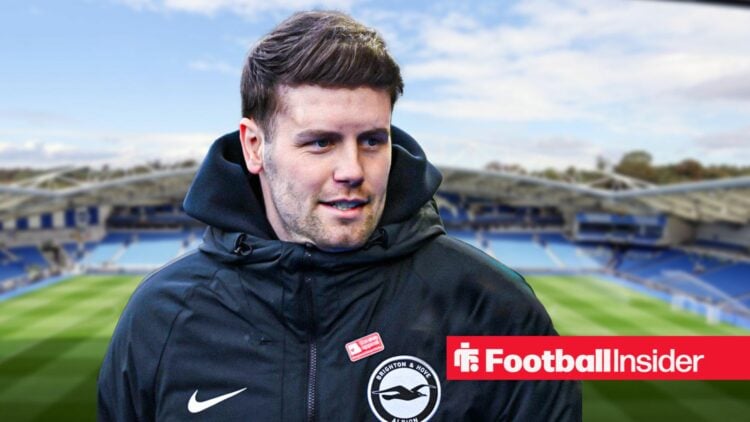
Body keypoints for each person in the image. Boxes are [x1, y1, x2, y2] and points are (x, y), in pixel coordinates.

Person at [97, 10, 581, 421]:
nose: (352, 170)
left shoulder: (493, 309)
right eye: (320, 142)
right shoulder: (161, 318)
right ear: (254, 146)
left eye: (372, 140)